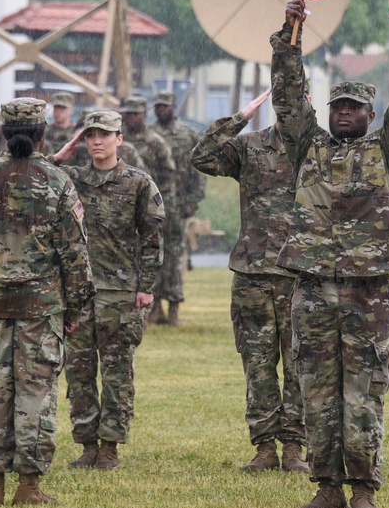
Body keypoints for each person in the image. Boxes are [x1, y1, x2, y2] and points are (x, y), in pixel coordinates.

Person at [276, 0, 389, 508]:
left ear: (369, 114)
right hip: (313, 290)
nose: (343, 114)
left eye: (354, 108)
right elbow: (287, 98)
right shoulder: (308, 147)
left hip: (367, 293)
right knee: (316, 390)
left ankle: (363, 489)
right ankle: (326, 486)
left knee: (363, 390)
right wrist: (290, 35)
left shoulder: (387, 152)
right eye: (337, 107)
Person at [0, 97, 95, 507]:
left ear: (3, 133)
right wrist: (77, 309)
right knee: (35, 394)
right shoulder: (56, 181)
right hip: (41, 308)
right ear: (42, 133)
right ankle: (28, 487)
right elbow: (75, 255)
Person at [191, 87, 308, 474]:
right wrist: (240, 117)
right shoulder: (250, 146)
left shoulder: (319, 148)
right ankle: (264, 447)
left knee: (299, 365)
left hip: (300, 276)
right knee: (257, 364)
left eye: (299, 99)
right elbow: (202, 156)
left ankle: (294, 447)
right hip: (253, 274)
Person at [52, 110, 165, 470]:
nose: (96, 141)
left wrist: (145, 287)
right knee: (79, 372)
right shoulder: (69, 179)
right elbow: (35, 171)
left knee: (117, 372)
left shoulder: (138, 183)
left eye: (104, 134)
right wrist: (63, 152)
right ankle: (87, 444)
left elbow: (152, 238)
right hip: (78, 293)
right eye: (89, 135)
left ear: (120, 138)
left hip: (120, 292)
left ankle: (111, 447)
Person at [119, 97, 176, 323]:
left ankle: (159, 307)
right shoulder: (117, 140)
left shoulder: (155, 142)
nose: (131, 117)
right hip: (123, 208)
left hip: (149, 207)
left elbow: (169, 175)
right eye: (128, 113)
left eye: (135, 113)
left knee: (154, 256)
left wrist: (163, 207)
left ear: (144, 114)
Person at [150, 91, 205, 325]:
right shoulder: (149, 135)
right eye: (158, 106)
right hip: (152, 205)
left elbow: (198, 170)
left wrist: (193, 200)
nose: (161, 109)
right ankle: (154, 308)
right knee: (152, 256)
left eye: (166, 106)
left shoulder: (188, 135)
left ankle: (174, 309)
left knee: (174, 257)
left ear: (174, 107)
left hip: (178, 205)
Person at [42, 91, 77, 157]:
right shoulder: (44, 131)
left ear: (72, 110)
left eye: (63, 107)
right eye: (56, 107)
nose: (58, 111)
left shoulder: (76, 132)